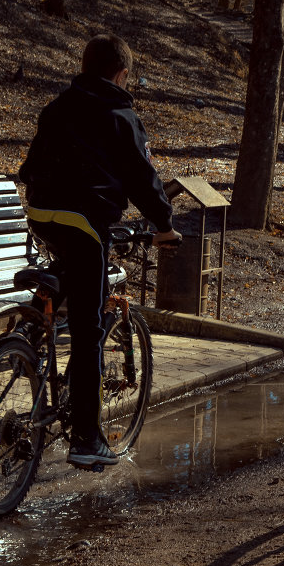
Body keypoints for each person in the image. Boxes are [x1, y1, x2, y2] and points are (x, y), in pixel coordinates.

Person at [19, 34, 182, 468]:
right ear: (122, 74)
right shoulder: (120, 115)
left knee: (69, 274)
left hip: (40, 214)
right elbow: (142, 178)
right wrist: (165, 226)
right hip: (83, 222)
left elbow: (29, 166)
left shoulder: (57, 107)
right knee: (89, 331)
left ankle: (29, 338)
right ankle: (87, 441)